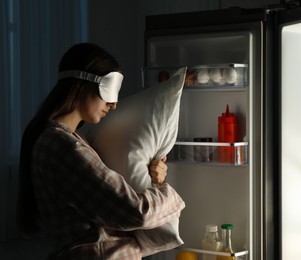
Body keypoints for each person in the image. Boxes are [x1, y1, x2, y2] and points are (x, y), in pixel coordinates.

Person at [17, 43, 185, 259]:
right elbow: (134, 213)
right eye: (109, 90)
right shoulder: (64, 146)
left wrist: (157, 179)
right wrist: (168, 194)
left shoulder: (66, 139)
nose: (113, 104)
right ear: (82, 84)